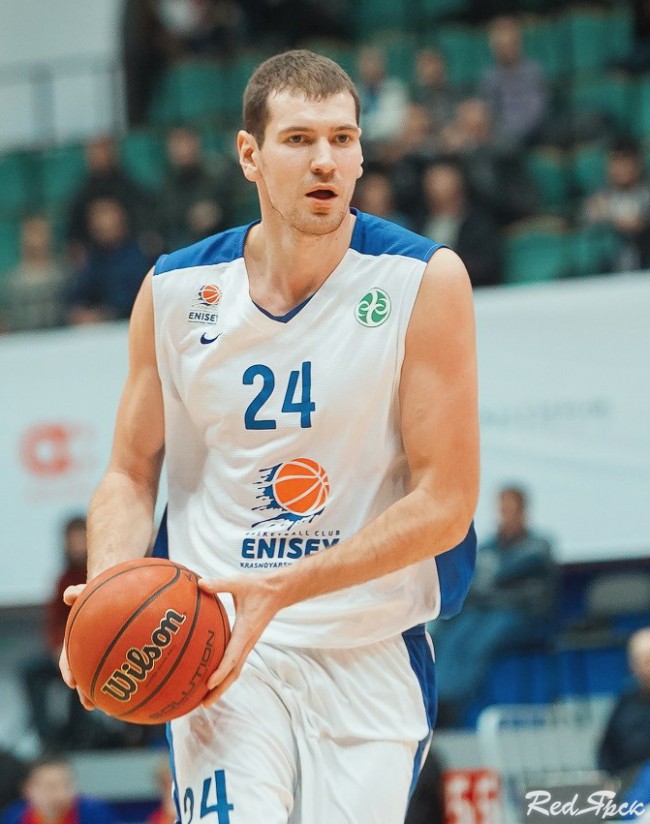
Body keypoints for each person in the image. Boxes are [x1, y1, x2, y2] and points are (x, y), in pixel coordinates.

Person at [59, 50, 479, 822]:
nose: (326, 161)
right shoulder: (175, 290)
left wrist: (281, 590)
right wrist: (113, 586)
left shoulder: (424, 281)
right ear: (250, 154)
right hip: (217, 645)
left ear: (361, 154)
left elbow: (445, 504)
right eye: (299, 139)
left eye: (343, 139)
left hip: (369, 645)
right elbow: (129, 471)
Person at [432, 485, 556, 726]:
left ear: (523, 511)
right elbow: (478, 587)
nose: (505, 515)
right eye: (502, 510)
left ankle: (453, 703)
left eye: (510, 510)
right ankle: (438, 698)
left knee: (483, 637)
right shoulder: (488, 548)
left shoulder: (538, 547)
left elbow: (534, 594)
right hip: (483, 612)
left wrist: (494, 593)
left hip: (520, 616)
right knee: (453, 632)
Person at [67, 198, 155, 324]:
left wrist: (104, 314)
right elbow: (78, 295)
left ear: (121, 217)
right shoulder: (92, 259)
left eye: (105, 213)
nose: (100, 222)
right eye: (95, 215)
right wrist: (78, 312)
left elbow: (137, 298)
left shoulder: (142, 253)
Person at [420, 160, 502, 288]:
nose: (437, 187)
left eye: (442, 180)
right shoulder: (419, 222)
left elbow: (487, 264)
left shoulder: (478, 223)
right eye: (432, 181)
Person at [581, 139, 650, 272]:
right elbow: (588, 224)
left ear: (637, 165)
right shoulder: (598, 199)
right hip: (609, 271)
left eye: (626, 162)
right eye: (616, 162)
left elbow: (639, 224)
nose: (620, 169)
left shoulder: (646, 195)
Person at [479, 16, 548, 147]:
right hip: (501, 136)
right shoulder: (489, 77)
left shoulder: (533, 71)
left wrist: (510, 132)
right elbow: (489, 112)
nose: (506, 51)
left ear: (519, 44)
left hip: (530, 134)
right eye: (501, 47)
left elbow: (536, 113)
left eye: (510, 45)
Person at [598, 627, 650, 786]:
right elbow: (607, 749)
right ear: (633, 666)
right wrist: (607, 778)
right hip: (630, 787)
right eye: (646, 661)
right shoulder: (625, 702)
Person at [0, 215, 68, 333]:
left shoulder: (64, 275)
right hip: (21, 340)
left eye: (40, 232)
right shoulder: (10, 281)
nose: (36, 239)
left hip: (59, 339)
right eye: (31, 232)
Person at [0, 756, 115, 824]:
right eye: (51, 787)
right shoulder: (13, 817)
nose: (61, 794)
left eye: (67, 785)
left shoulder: (95, 812)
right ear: (28, 789)